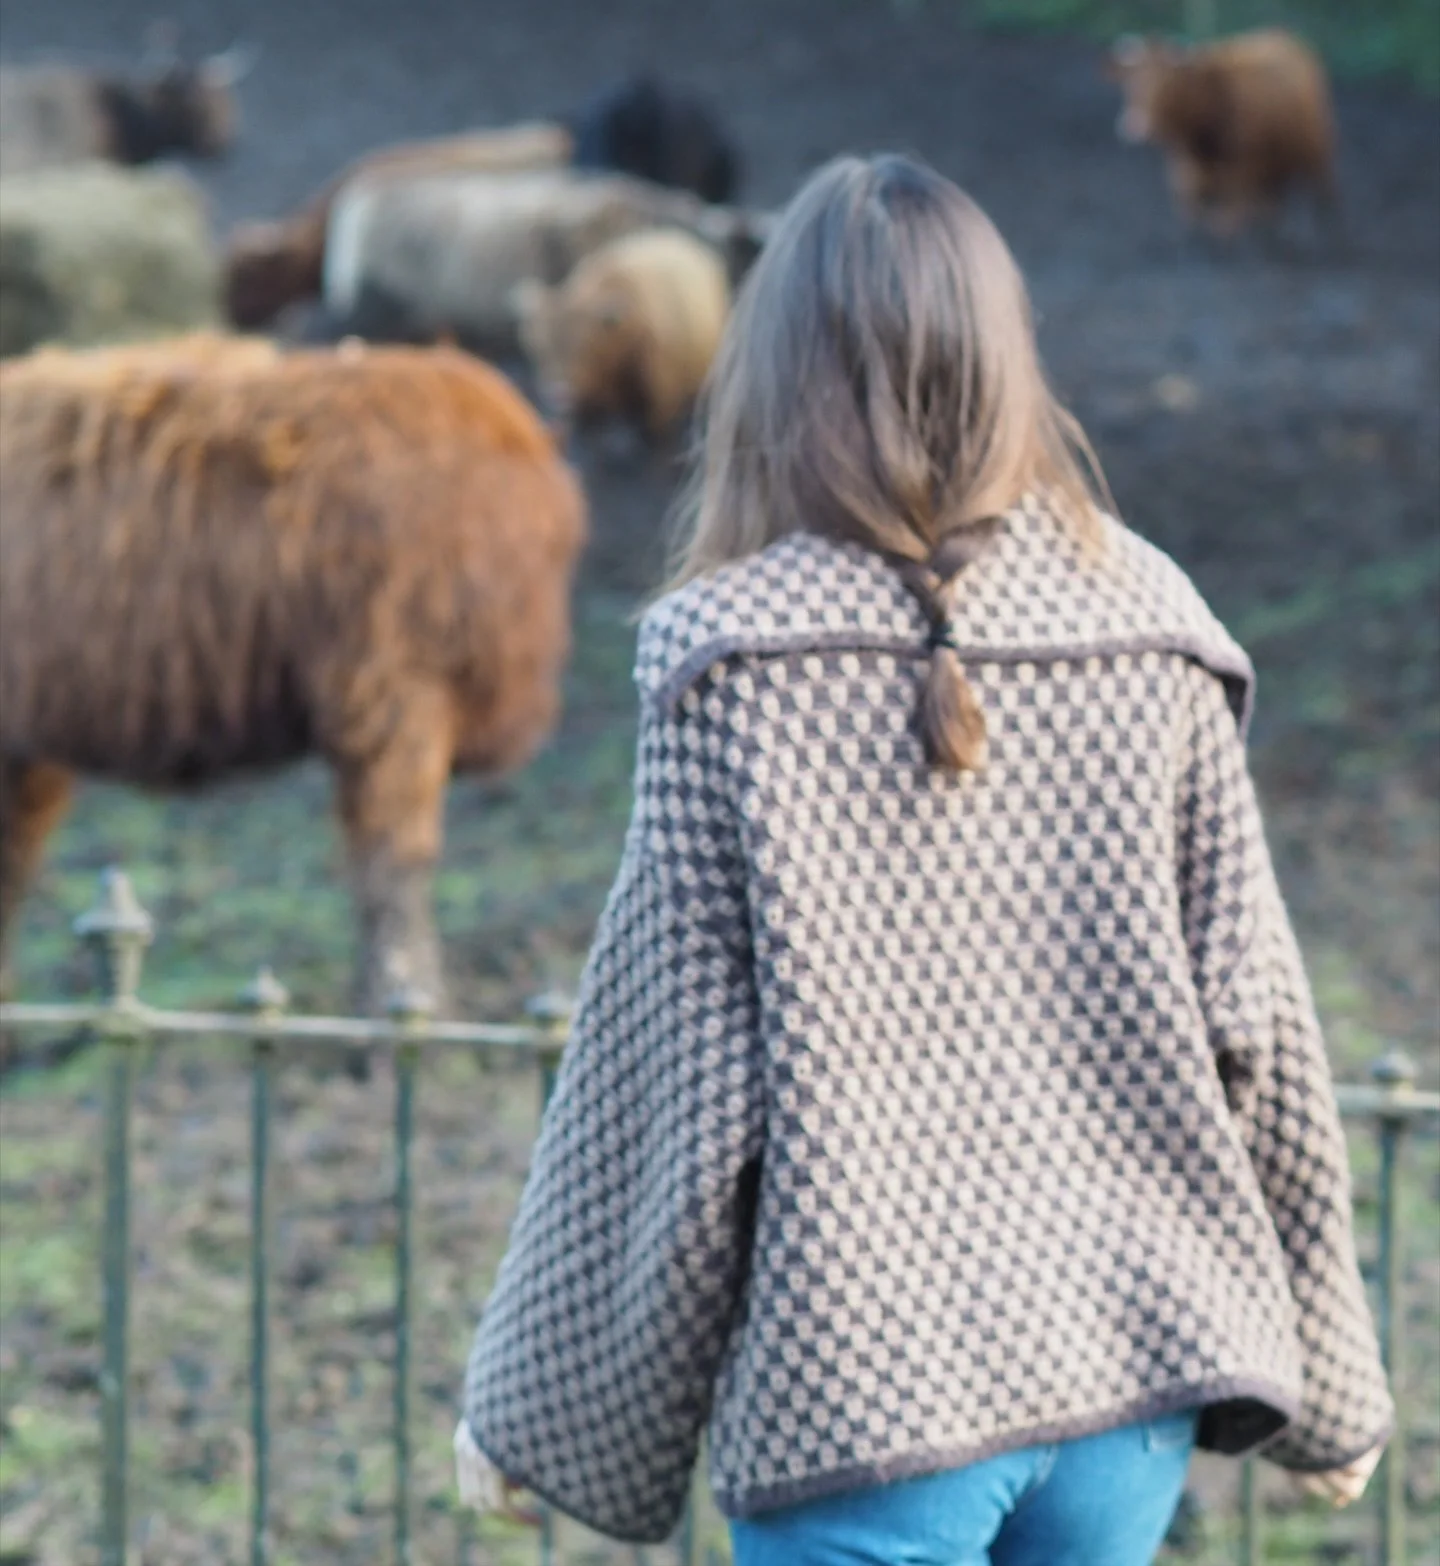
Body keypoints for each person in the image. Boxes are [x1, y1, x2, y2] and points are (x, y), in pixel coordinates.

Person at [456, 155, 1391, 1564]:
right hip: (1125, 1394)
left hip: (863, 1411)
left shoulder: (729, 658)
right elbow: (1258, 1027)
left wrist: (531, 1408)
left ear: (776, 377)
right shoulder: (1158, 616)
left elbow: (658, 1074)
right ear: (1005, 358)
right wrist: (1335, 1387)